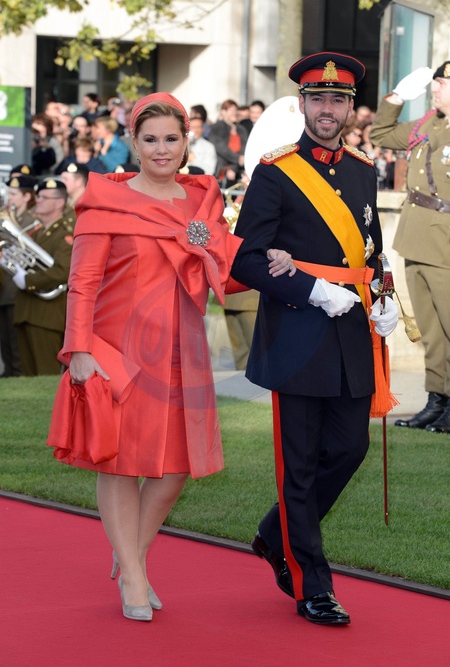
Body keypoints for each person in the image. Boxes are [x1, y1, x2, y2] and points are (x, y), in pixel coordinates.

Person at [46, 92, 295, 623]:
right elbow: (82, 283)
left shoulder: (201, 202)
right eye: (150, 139)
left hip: (184, 350)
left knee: (176, 468)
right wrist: (79, 350)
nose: (161, 149)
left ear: (186, 143)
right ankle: (135, 577)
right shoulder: (105, 202)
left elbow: (222, 270)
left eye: (171, 139)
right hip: (118, 351)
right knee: (119, 462)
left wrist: (267, 258)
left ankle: (130, 556)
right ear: (133, 143)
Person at [231, 52, 399, 625]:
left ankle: (273, 532)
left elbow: (371, 250)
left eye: (338, 100)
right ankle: (311, 585)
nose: (328, 109)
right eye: (318, 98)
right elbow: (246, 259)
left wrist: (385, 297)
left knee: (349, 450)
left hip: (353, 332)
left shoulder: (362, 170)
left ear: (351, 109)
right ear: (302, 104)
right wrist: (310, 289)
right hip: (297, 335)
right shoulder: (276, 172)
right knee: (299, 466)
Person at [371, 63, 450, 432]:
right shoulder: (427, 124)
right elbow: (381, 133)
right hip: (417, 237)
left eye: (442, 84)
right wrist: (397, 98)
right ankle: (438, 400)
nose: (435, 89)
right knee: (431, 330)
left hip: (445, 241)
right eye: (435, 83)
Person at [12, 179, 74, 375]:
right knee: (27, 378)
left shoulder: (64, 234)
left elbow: (63, 271)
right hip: (26, 311)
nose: (38, 200)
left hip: (47, 316)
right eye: (38, 196)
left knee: (46, 376)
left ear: (59, 203)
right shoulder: (35, 232)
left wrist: (28, 280)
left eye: (44, 198)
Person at [0, 175, 38, 377]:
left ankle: (17, 376)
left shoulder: (33, 221)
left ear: (26, 197)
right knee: (4, 341)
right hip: (4, 288)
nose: (9, 198)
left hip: (18, 290)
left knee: (16, 344)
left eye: (14, 194)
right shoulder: (8, 217)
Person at [208, 99, 248, 187]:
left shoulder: (241, 130)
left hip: (238, 171)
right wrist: (237, 159)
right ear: (223, 112)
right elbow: (221, 148)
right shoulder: (217, 128)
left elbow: (243, 149)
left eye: (236, 110)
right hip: (220, 171)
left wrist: (234, 167)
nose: (234, 113)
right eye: (232, 110)